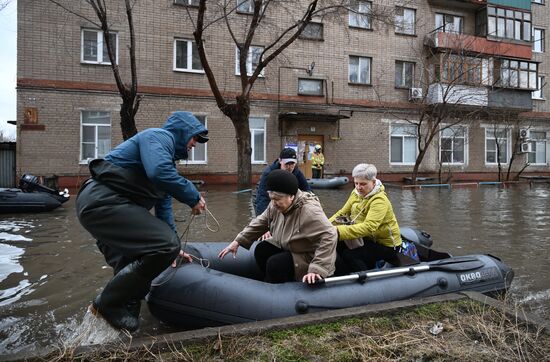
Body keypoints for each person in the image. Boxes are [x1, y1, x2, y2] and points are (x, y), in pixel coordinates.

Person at [76, 111, 208, 332]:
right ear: (182, 131)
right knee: (165, 245)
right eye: (194, 137)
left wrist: (174, 248)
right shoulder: (159, 137)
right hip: (103, 201)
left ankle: (117, 336)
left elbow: (164, 213)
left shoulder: (167, 164)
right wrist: (192, 196)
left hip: (104, 209)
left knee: (132, 269)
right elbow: (158, 172)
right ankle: (106, 303)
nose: (195, 144)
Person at [219, 169, 337, 284]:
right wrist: (238, 241)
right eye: (271, 199)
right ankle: (269, 282)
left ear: (291, 196)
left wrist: (317, 269)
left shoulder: (309, 211)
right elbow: (261, 221)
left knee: (275, 263)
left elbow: (330, 234)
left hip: (308, 254)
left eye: (277, 199)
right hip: (291, 246)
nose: (274, 203)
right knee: (261, 250)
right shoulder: (275, 205)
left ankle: (279, 290)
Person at [329, 163, 402, 273]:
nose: (359, 187)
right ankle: (339, 274)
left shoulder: (379, 201)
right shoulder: (356, 193)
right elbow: (342, 213)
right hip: (366, 238)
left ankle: (364, 278)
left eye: (363, 184)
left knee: (350, 255)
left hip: (386, 245)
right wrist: (326, 225)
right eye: (356, 183)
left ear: (373, 182)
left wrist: (338, 231)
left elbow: (369, 227)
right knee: (336, 245)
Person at [254, 147, 311, 216]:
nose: (289, 167)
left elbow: (307, 191)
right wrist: (263, 218)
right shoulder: (269, 173)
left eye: (292, 163)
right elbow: (262, 198)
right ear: (280, 161)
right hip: (266, 197)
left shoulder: (297, 172)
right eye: (287, 164)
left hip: (285, 200)